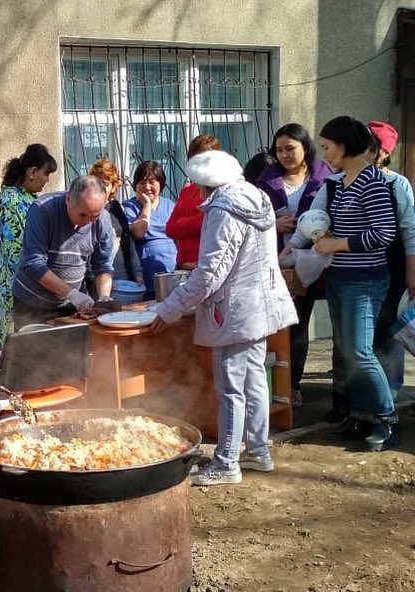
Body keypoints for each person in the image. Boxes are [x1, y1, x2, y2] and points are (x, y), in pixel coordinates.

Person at [150, 150, 297, 485]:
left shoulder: (223, 209)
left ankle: (226, 462)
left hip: (234, 310)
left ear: (205, 185)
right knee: (255, 379)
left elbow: (210, 273)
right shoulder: (256, 196)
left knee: (231, 388)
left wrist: (168, 309)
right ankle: (258, 450)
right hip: (260, 304)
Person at [312, 116, 398, 451]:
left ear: (346, 145)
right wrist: (325, 235)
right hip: (340, 277)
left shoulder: (372, 182)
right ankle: (362, 415)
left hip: (365, 280)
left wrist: (338, 244)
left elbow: (384, 233)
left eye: (327, 147)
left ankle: (386, 419)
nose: (324, 154)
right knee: (348, 352)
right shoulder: (340, 182)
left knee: (362, 351)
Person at [255, 123, 333, 408]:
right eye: (279, 150)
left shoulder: (326, 177)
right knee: (280, 325)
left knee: (299, 324)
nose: (284, 155)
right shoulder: (265, 181)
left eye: (290, 149)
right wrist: (273, 225)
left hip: (316, 262)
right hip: (276, 261)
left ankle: (297, 385)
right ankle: (280, 385)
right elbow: (252, 220)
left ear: (305, 148)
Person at [12, 175, 114, 327]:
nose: (88, 221)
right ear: (68, 200)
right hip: (31, 302)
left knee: (68, 349)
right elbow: (34, 263)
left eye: (95, 215)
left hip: (69, 306)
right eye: (83, 215)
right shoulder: (42, 210)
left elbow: (103, 264)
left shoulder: (103, 220)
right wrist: (72, 294)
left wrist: (104, 296)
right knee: (31, 349)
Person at [367, 121, 415, 403]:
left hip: (394, 266)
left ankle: (392, 386)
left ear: (383, 153)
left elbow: (410, 230)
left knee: (389, 327)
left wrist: (411, 271)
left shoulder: (398, 184)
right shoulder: (344, 180)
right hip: (361, 267)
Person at [0, 144, 58, 346]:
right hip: (16, 287)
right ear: (32, 172)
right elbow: (15, 252)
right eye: (46, 174)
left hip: (32, 287)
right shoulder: (9, 200)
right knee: (17, 349)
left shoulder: (29, 198)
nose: (47, 180)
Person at [166, 134, 221, 270]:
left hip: (205, 264)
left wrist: (183, 224)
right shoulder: (187, 191)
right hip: (182, 264)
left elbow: (210, 221)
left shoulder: (219, 190)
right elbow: (170, 228)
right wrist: (193, 223)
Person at [123, 160, 177, 298]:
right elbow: (138, 233)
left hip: (172, 271)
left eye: (152, 182)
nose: (147, 187)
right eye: (142, 182)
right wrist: (146, 205)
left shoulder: (170, 205)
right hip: (147, 271)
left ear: (161, 183)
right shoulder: (130, 207)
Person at [88, 158, 144, 285]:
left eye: (105, 183)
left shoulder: (117, 209)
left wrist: (137, 274)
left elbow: (128, 244)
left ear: (113, 187)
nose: (100, 188)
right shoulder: (86, 210)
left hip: (122, 277)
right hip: (96, 280)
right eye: (96, 182)